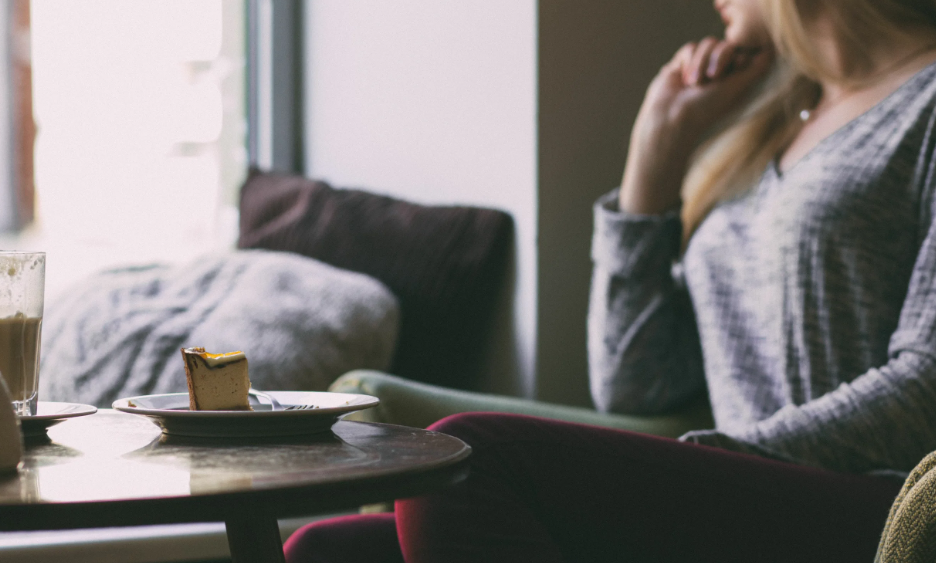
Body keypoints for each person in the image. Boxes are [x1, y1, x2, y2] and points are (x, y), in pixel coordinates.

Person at [284, 0, 936, 561]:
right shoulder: (775, 118)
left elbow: (925, 387)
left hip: (880, 502)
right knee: (328, 550)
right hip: (739, 489)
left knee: (471, 456)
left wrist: (723, 457)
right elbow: (636, 380)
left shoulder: (924, 103)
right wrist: (653, 161)